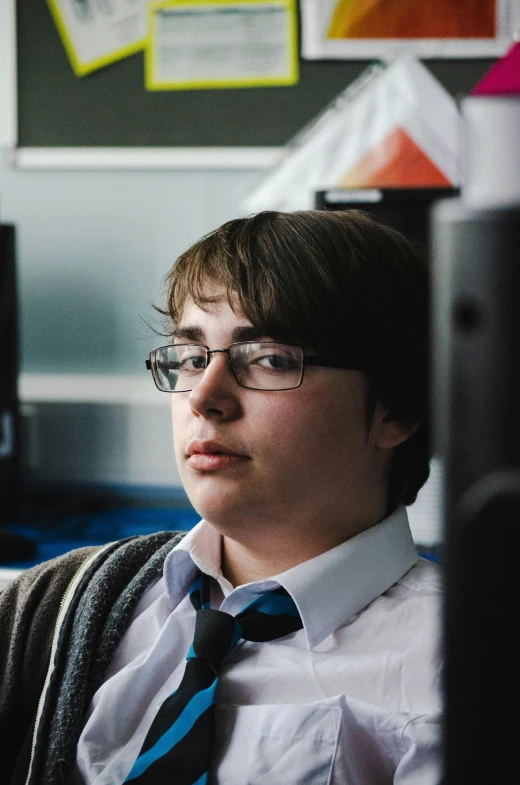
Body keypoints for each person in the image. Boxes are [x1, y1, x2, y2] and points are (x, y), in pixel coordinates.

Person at [0, 209, 442, 785]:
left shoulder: (465, 663)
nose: (205, 398)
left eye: (269, 359)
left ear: (398, 410)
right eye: (190, 358)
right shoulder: (64, 605)